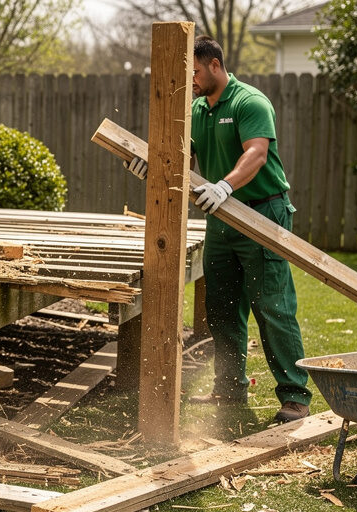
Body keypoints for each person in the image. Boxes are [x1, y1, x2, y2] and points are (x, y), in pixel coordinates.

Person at [124, 35, 311, 424]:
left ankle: (295, 396)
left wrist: (225, 184)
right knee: (222, 308)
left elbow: (256, 153)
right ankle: (229, 387)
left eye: (193, 72)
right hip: (222, 218)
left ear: (213, 65)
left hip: (263, 214)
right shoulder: (196, 109)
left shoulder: (250, 102)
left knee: (272, 305)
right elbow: (182, 156)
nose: (189, 80)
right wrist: (151, 166)